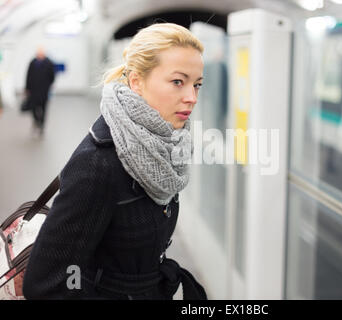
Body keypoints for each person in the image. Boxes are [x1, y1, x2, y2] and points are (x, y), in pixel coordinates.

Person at [22, 23, 206, 300]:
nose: (191, 97)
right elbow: (47, 282)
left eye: (197, 84)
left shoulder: (162, 147)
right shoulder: (99, 164)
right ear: (136, 81)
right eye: (178, 82)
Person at [25, 46, 55, 136]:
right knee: (33, 107)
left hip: (44, 91)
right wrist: (27, 88)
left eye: (41, 53)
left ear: (44, 54)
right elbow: (28, 75)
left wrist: (48, 85)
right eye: (38, 53)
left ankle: (42, 125)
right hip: (33, 90)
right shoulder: (33, 62)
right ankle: (37, 120)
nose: (39, 55)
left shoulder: (49, 63)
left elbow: (52, 77)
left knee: (43, 108)